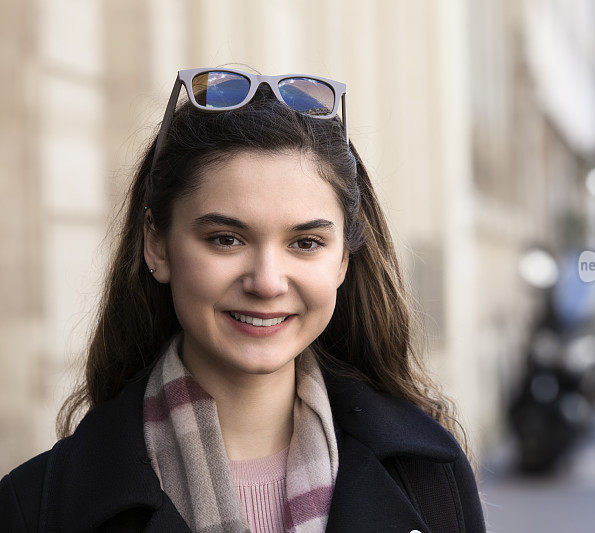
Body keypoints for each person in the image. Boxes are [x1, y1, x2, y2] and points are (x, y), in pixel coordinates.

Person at [0, 67, 486, 532]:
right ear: (157, 244)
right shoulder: (38, 507)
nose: (268, 282)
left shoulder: (429, 475)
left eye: (306, 243)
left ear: (343, 261)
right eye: (226, 239)